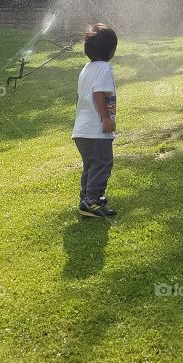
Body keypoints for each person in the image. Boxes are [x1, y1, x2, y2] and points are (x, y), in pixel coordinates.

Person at [72, 23, 119, 219]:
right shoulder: (104, 69)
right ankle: (91, 200)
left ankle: (87, 200)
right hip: (96, 130)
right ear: (110, 50)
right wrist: (106, 118)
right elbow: (99, 93)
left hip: (82, 131)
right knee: (102, 164)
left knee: (91, 166)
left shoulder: (87, 68)